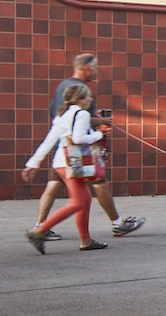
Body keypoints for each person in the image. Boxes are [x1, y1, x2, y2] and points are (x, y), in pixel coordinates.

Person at [31, 53, 143, 239]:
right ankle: (116, 224)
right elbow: (79, 121)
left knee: (56, 187)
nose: (97, 71)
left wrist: (34, 162)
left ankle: (43, 226)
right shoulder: (80, 89)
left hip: (62, 149)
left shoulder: (62, 87)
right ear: (86, 67)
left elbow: (59, 117)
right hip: (78, 153)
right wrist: (102, 124)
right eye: (95, 67)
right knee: (97, 185)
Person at [24, 82, 107, 251]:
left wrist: (33, 163)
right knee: (77, 202)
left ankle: (86, 240)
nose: (91, 99)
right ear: (80, 99)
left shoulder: (63, 115)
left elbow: (49, 140)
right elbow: (78, 138)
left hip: (61, 163)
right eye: (88, 96)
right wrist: (99, 134)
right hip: (74, 163)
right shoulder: (82, 114)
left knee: (86, 199)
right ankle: (39, 231)